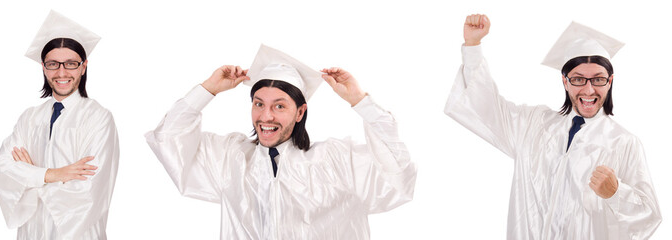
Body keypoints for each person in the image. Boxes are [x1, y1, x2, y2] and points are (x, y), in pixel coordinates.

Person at [145, 44, 416, 239]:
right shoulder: (231, 159)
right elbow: (169, 139)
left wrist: (360, 100)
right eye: (259, 103)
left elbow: (396, 172)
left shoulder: (336, 161)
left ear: (300, 112)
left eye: (279, 106)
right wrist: (208, 89)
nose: (266, 116)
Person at [445, 14, 662, 239]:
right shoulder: (533, 125)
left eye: (598, 79)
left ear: (610, 80)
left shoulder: (623, 142)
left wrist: (617, 193)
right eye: (578, 79)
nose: (589, 90)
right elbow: (485, 107)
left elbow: (649, 216)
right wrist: (472, 46)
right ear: (565, 80)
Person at [0, 10, 119, 239]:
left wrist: (30, 176)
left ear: (83, 66)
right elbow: (1, 168)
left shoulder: (99, 118)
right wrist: (53, 174)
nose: (61, 72)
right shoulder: (29, 118)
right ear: (43, 67)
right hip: (32, 232)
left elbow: (89, 189)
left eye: (70, 63)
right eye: (53, 64)